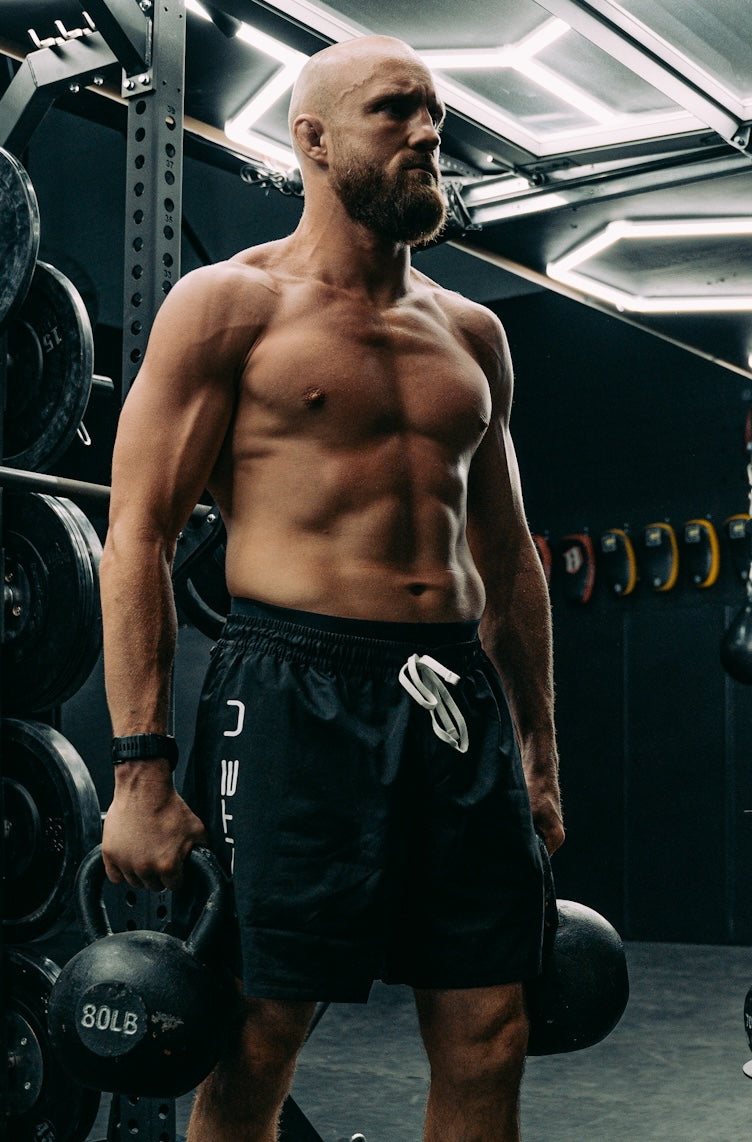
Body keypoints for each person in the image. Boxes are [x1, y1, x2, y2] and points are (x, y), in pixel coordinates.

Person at [99, 33, 563, 1142]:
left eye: (435, 117)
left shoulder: (474, 335)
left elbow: (509, 560)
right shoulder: (229, 307)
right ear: (310, 139)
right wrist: (139, 770)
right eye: (394, 112)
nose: (427, 135)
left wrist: (540, 755)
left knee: (493, 1025)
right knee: (257, 1029)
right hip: (292, 688)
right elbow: (137, 536)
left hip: (452, 701)